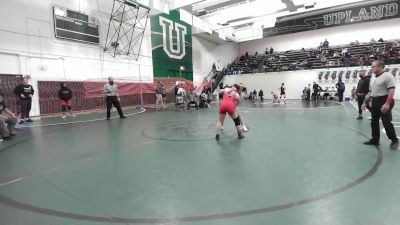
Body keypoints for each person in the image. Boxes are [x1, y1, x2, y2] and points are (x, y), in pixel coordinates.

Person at [362, 60, 398, 150]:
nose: (372, 68)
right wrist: (365, 102)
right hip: (375, 101)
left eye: (373, 66)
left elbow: (391, 90)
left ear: (380, 67)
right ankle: (375, 139)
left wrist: (387, 103)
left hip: (385, 100)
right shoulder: (373, 78)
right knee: (374, 122)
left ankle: (394, 140)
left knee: (386, 122)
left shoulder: (388, 76)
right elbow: (370, 92)